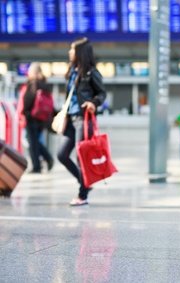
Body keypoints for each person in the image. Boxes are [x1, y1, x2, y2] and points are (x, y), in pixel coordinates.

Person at [57, 37, 106, 206]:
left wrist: (93, 103)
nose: (70, 52)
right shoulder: (72, 72)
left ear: (80, 53)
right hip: (71, 119)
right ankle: (84, 182)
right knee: (61, 155)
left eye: (72, 49)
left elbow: (102, 94)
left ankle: (82, 195)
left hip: (83, 120)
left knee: (81, 158)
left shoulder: (91, 72)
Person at [20, 62, 54, 173]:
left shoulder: (33, 83)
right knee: (35, 142)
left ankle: (38, 165)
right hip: (42, 118)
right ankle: (44, 161)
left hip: (32, 117)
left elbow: (28, 99)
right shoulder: (45, 83)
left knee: (32, 142)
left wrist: (25, 112)